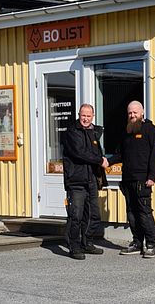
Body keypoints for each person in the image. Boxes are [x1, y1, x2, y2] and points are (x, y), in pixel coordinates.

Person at [105, 100, 155, 258]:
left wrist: (152, 177)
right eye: (130, 113)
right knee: (131, 213)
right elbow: (121, 154)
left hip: (142, 180)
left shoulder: (150, 130)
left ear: (142, 112)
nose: (132, 115)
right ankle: (137, 242)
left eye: (135, 112)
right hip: (127, 180)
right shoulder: (127, 131)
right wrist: (108, 161)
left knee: (144, 212)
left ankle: (150, 243)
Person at [61, 103, 108, 260]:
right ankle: (74, 247)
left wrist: (102, 168)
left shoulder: (94, 132)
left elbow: (96, 153)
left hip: (92, 179)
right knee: (76, 215)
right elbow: (80, 153)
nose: (85, 119)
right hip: (76, 181)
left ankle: (87, 242)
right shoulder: (72, 132)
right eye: (83, 115)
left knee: (93, 215)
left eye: (88, 116)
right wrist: (100, 160)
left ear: (92, 116)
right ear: (79, 115)